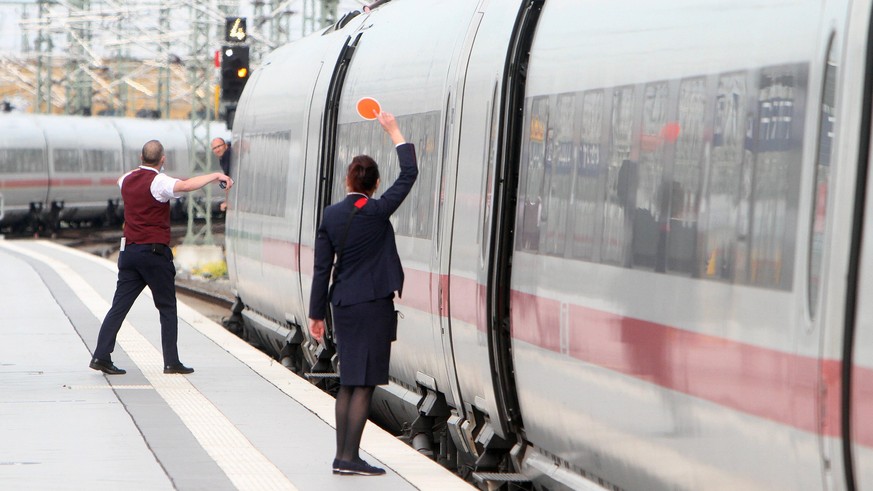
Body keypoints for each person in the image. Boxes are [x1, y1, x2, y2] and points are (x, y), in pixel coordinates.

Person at [308, 111, 416, 476]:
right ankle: (349, 458)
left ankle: (343, 456)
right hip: (373, 306)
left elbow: (322, 269)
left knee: (349, 380)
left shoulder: (331, 215)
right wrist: (394, 131)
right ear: (375, 184)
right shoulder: (379, 210)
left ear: (347, 181)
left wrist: (316, 315)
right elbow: (410, 174)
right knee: (365, 383)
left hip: (342, 305)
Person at [89, 140, 234, 376]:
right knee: (166, 306)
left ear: (141, 157)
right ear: (162, 159)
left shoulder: (125, 179)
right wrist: (216, 174)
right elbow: (186, 186)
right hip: (154, 254)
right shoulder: (159, 182)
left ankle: (101, 355)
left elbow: (132, 184)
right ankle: (171, 361)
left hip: (129, 253)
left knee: (118, 307)